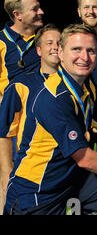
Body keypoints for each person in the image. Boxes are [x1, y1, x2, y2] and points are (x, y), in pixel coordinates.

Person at [3, 24, 97, 215]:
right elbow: (84, 158)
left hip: (71, 181)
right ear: (61, 53)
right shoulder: (53, 98)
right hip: (37, 192)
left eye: (91, 51)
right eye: (76, 49)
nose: (84, 57)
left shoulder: (87, 85)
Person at [0, 24, 60, 214]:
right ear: (38, 50)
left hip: (64, 175)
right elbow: (4, 133)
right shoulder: (20, 85)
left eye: (60, 43)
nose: (55, 47)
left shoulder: (79, 85)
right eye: (49, 43)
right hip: (30, 176)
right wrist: (6, 174)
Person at [0, 0, 44, 100]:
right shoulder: (1, 41)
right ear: (17, 14)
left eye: (39, 7)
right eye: (35, 9)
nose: (41, 12)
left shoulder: (45, 39)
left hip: (40, 112)